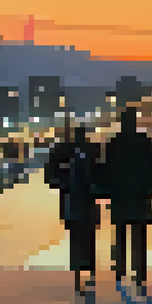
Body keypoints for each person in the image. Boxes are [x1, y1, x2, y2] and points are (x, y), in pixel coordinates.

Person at [101, 109, 152, 286]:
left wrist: (105, 192)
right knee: (139, 234)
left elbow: (106, 169)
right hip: (140, 195)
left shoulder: (114, 143)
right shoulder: (144, 142)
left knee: (120, 233)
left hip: (120, 194)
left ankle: (120, 269)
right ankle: (139, 271)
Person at [46, 124, 103, 293]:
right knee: (88, 237)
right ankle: (89, 271)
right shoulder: (93, 151)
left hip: (72, 201)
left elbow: (51, 175)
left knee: (76, 238)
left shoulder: (62, 151)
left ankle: (79, 272)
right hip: (86, 201)